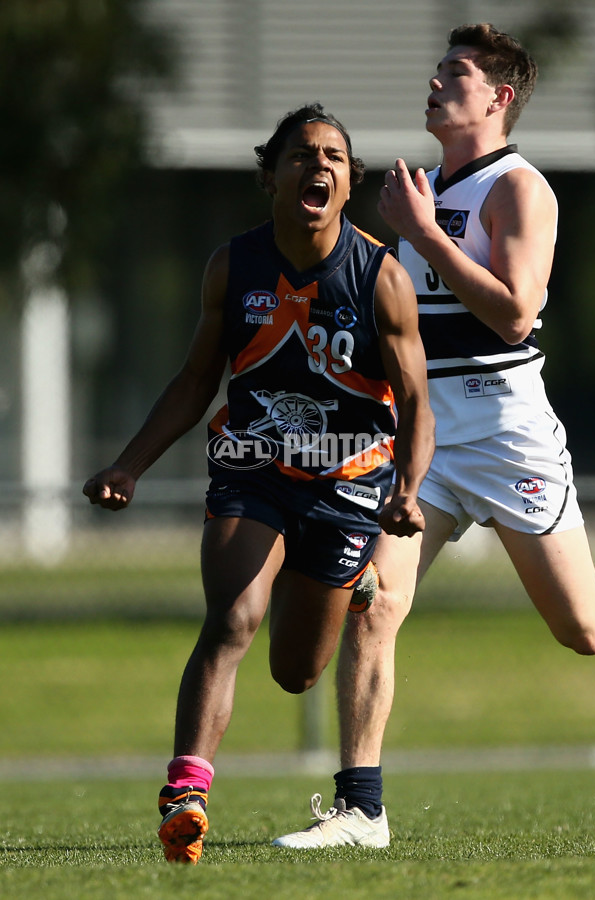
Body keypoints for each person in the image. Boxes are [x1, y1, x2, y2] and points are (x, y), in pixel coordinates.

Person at [273, 23, 595, 850]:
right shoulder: (412, 193)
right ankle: (361, 811)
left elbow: (516, 311)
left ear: (499, 96)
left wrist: (421, 233)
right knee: (372, 606)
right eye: (437, 69)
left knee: (585, 632)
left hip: (504, 429)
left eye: (455, 72)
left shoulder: (519, 189)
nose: (435, 81)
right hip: (422, 437)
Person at [83, 102, 434, 863]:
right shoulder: (233, 265)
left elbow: (414, 404)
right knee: (234, 615)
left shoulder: (381, 276)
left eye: (335, 157)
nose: (320, 166)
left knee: (297, 672)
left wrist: (407, 489)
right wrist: (128, 465)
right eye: (302, 154)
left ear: (349, 185)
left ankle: (349, 581)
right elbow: (194, 380)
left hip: (346, 482)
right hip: (252, 467)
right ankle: (186, 796)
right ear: (269, 176)